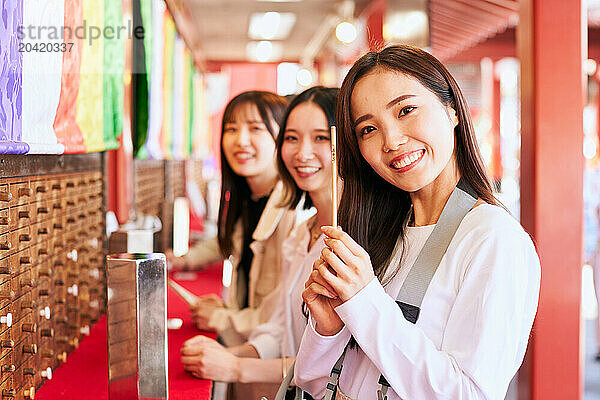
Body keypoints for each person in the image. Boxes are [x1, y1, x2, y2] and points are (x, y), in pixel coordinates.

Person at [295, 45, 541, 400]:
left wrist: (365, 300)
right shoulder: (381, 234)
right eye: (368, 130)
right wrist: (328, 330)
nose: (391, 140)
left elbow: (469, 394)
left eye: (406, 110)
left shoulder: (493, 239)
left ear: (452, 110)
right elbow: (314, 384)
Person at [180, 87, 339, 398]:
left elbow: (339, 363)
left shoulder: (345, 238)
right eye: (293, 138)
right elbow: (280, 322)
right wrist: (231, 355)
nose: (303, 152)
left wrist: (234, 360)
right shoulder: (303, 232)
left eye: (321, 137)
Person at [172, 91, 308, 347]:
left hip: (273, 361)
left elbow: (286, 310)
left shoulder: (296, 209)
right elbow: (228, 242)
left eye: (256, 128)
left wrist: (226, 319)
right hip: (246, 347)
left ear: (284, 137)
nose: (241, 140)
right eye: (231, 129)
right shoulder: (248, 196)